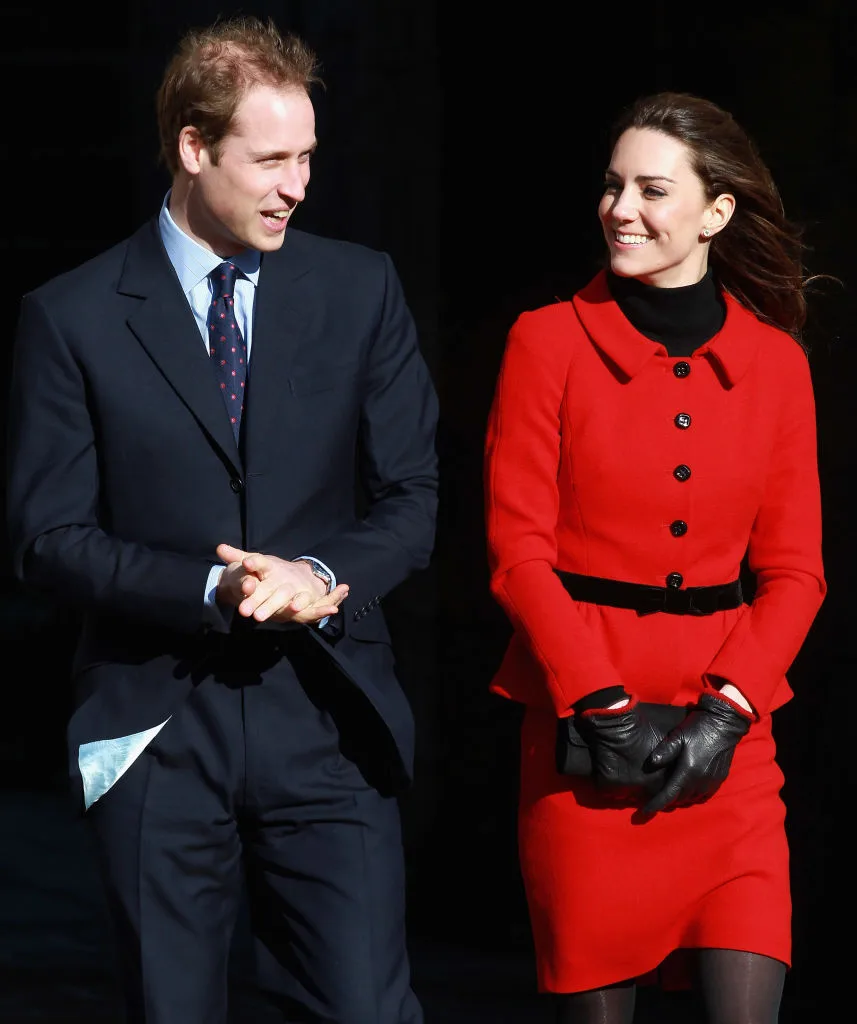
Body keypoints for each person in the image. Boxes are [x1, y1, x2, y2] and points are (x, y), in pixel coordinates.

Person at [6, 15, 437, 1024]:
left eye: (309, 157)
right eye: (272, 159)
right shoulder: (69, 317)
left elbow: (412, 500)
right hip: (158, 721)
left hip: (327, 712)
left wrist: (318, 571)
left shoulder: (358, 287)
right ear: (194, 149)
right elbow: (45, 535)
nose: (298, 184)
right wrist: (211, 586)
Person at [483, 91, 826, 1023]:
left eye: (650, 189)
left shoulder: (777, 364)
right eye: (611, 185)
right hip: (585, 738)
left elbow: (796, 571)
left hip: (732, 749)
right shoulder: (545, 340)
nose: (619, 208)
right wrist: (597, 700)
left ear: (716, 212)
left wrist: (728, 713)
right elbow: (517, 550)